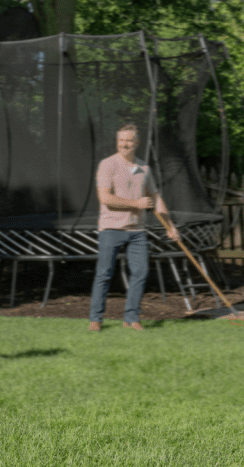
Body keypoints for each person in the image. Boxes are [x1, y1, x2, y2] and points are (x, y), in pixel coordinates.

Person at [88, 123, 180, 332]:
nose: (124, 144)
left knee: (141, 272)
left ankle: (131, 318)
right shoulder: (107, 165)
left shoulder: (142, 168)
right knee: (104, 273)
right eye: (121, 140)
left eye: (129, 140)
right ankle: (95, 319)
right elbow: (105, 198)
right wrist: (135, 204)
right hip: (111, 228)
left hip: (137, 231)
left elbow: (155, 197)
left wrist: (170, 226)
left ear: (137, 142)